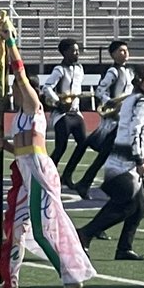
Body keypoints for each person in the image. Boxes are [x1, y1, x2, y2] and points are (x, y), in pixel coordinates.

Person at [0, 16, 95, 288]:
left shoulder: (33, 105)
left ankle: (70, 277)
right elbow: (22, 149)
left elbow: (20, 72)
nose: (13, 91)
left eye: (16, 88)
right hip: (26, 172)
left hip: (38, 171)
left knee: (40, 229)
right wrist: (6, 145)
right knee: (15, 229)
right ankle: (10, 282)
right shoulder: (18, 117)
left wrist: (10, 41)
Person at [77, 65, 144, 261]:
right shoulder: (142, 102)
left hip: (125, 159)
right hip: (125, 162)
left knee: (138, 206)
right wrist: (139, 159)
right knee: (126, 205)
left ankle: (123, 247)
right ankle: (85, 233)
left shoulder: (135, 99)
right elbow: (135, 131)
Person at [72, 40, 132, 200]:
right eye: (121, 51)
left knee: (107, 154)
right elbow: (100, 91)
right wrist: (110, 103)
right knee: (110, 153)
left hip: (123, 118)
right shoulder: (113, 72)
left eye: (126, 50)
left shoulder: (129, 72)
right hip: (114, 119)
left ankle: (85, 183)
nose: (125, 53)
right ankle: (88, 183)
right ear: (113, 54)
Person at [41, 38, 87, 188]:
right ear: (65, 52)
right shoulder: (59, 70)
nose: (77, 53)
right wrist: (58, 102)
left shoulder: (80, 68)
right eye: (73, 51)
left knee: (83, 143)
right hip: (62, 114)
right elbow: (47, 87)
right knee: (61, 147)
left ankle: (67, 175)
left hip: (76, 112)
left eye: (77, 50)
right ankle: (47, 175)